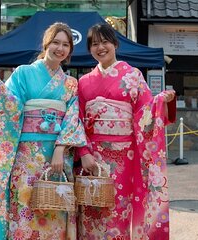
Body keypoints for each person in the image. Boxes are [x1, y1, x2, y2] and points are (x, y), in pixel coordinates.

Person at [0, 22, 86, 239]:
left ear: (70, 51)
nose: (60, 48)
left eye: (66, 45)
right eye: (56, 42)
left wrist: (59, 149)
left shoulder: (71, 84)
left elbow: (73, 118)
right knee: (24, 208)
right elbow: (9, 105)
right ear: (46, 44)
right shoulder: (23, 73)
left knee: (55, 210)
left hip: (56, 156)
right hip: (26, 156)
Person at [75, 23, 176, 239]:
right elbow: (77, 121)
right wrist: (84, 153)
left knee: (118, 209)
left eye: (105, 42)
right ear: (89, 49)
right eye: (94, 44)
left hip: (124, 158)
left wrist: (160, 101)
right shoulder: (83, 82)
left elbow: (145, 111)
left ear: (115, 44)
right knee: (91, 209)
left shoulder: (133, 76)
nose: (100, 47)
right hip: (93, 157)